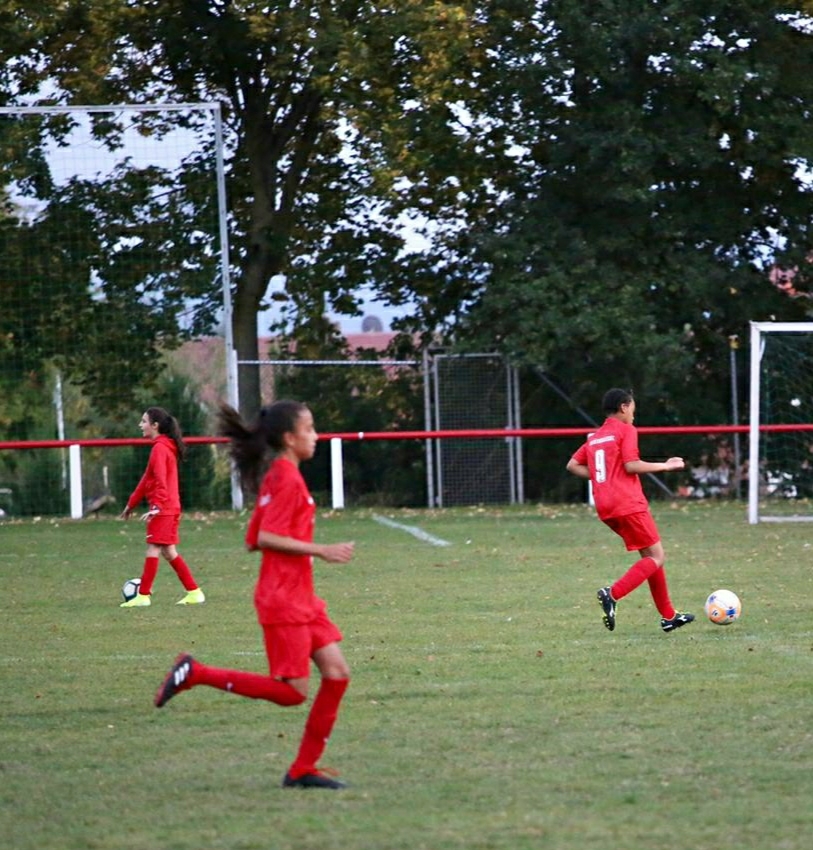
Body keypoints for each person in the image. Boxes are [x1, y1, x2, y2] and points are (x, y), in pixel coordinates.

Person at [153, 400, 355, 790]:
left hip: (300, 597)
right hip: (284, 600)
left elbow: (252, 539)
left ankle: (303, 769)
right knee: (293, 694)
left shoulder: (279, 475)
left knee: (337, 673)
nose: (316, 436)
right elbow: (265, 537)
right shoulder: (286, 479)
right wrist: (320, 550)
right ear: (289, 438)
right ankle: (196, 673)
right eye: (310, 429)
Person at [566, 388, 695, 633]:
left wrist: (604, 478)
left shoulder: (596, 437)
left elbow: (572, 465)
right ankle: (612, 594)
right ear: (624, 407)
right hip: (627, 503)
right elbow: (632, 465)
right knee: (656, 557)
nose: (634, 415)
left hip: (605, 507)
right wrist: (666, 466)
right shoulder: (626, 430)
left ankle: (669, 616)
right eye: (633, 409)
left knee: (650, 557)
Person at [119, 407, 205, 608]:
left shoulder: (160, 448)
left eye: (144, 421)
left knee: (153, 547)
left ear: (155, 425)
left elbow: (160, 480)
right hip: (169, 506)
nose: (140, 425)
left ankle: (143, 595)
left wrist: (157, 506)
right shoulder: (162, 447)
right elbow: (146, 480)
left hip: (164, 508)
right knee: (168, 551)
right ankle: (194, 592)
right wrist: (131, 504)